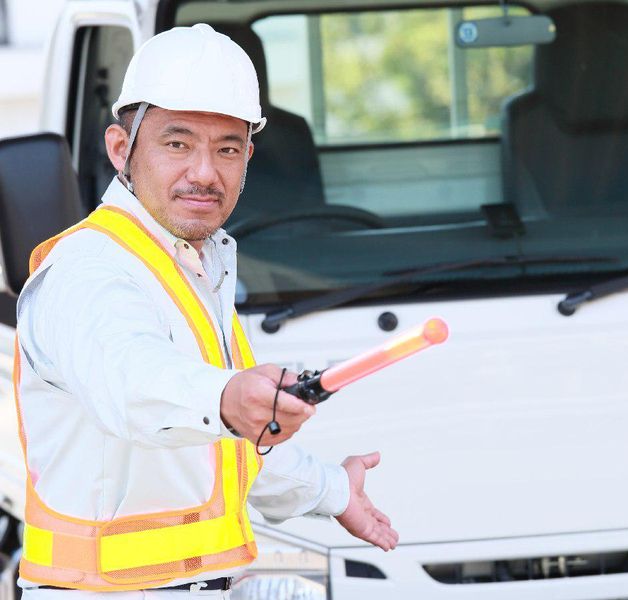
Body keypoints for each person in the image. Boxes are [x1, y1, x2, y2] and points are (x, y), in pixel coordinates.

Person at [13, 23, 398, 598]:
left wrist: (332, 491)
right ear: (120, 150)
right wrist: (227, 398)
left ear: (248, 158)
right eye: (178, 143)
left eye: (227, 149)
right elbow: (133, 380)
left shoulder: (193, 264)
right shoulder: (88, 270)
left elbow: (217, 445)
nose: (204, 172)